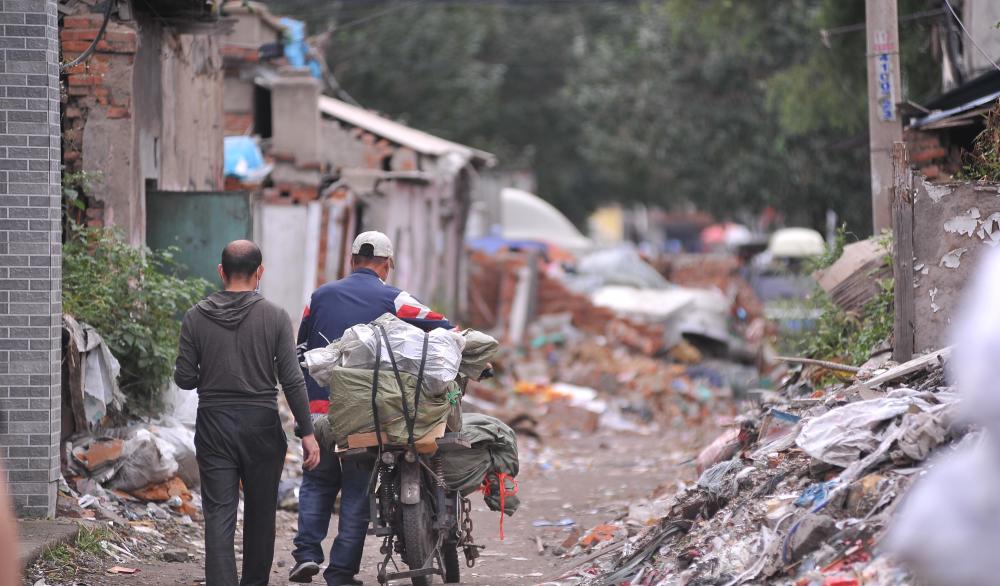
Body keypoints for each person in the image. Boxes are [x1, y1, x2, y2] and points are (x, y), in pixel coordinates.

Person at [289, 231, 452, 586]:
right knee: (358, 490)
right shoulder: (395, 298)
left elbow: (300, 350)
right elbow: (441, 324)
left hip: (317, 412)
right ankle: (341, 572)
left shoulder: (318, 297)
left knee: (317, 482)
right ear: (387, 264)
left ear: (351, 261)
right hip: (363, 418)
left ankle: (306, 555)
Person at [175, 240, 321, 586]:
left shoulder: (195, 317)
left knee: (218, 514)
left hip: (214, 424)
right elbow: (291, 379)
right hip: (261, 426)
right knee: (260, 515)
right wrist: (308, 432)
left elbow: (183, 378)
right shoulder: (275, 317)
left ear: (221, 272)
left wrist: (208, 372)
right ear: (260, 273)